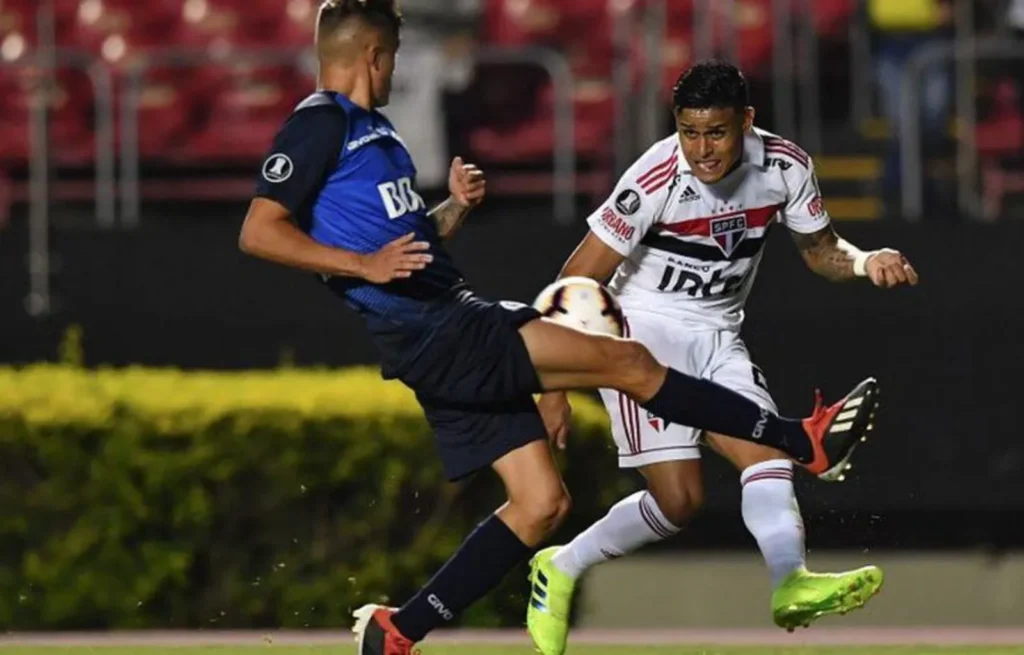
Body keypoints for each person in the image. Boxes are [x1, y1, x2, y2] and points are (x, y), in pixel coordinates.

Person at [237, 4, 880, 653]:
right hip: (450, 327)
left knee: (541, 503)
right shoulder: (322, 124)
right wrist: (361, 265)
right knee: (631, 364)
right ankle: (798, 437)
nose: (397, 67)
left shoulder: (376, 137)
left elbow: (408, 245)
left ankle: (397, 630)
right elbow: (259, 230)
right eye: (395, 55)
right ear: (375, 55)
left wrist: (452, 209)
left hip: (432, 340)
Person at [525, 60, 918, 655]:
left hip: (719, 333)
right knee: (680, 502)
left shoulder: (785, 165)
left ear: (747, 122)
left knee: (766, 455)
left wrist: (865, 260)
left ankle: (790, 582)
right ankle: (561, 566)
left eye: (716, 132)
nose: (702, 150)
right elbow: (577, 278)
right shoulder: (655, 178)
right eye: (689, 132)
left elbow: (819, 249)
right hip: (640, 338)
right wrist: (551, 386)